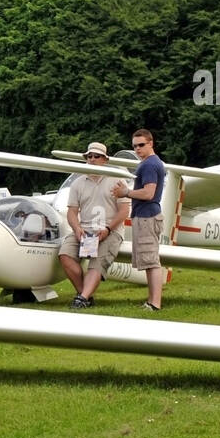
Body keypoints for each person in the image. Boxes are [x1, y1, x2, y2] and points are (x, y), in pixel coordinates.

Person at [58, 141, 129, 309]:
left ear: (105, 159)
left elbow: (125, 210)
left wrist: (108, 229)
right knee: (65, 255)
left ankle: (82, 297)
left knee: (96, 264)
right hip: (85, 230)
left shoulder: (117, 180)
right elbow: (72, 212)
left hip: (111, 231)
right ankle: (85, 296)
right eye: (89, 156)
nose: (92, 159)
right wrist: (77, 229)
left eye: (96, 156)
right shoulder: (78, 183)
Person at [112, 128, 166, 310]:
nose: (137, 149)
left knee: (151, 261)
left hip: (147, 216)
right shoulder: (151, 163)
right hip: (147, 216)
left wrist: (125, 192)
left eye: (141, 145)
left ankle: (155, 303)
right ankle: (151, 301)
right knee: (150, 261)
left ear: (151, 143)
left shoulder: (149, 164)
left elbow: (149, 193)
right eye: (134, 146)